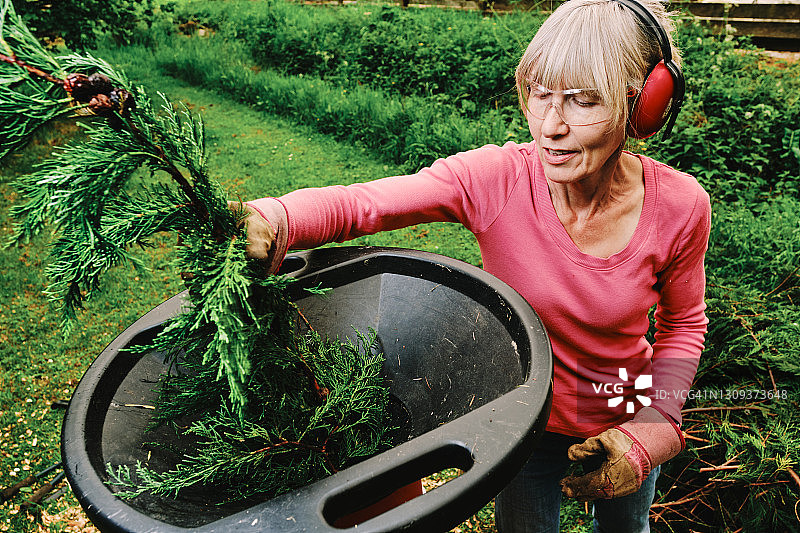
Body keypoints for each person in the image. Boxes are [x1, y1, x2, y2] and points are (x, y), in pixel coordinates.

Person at [231, 0, 710, 531]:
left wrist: (654, 428)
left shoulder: (680, 206)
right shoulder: (496, 179)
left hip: (626, 412)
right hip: (526, 419)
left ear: (642, 104)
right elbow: (365, 202)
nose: (550, 125)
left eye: (583, 101)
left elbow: (684, 324)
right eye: (539, 94)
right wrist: (275, 218)